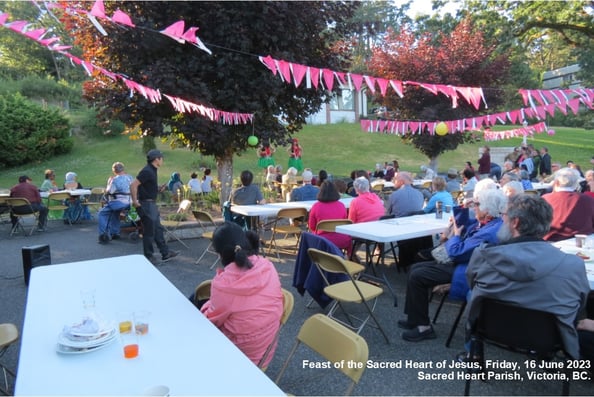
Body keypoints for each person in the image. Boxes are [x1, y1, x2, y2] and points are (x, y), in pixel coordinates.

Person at [464, 194, 590, 360]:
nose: (502, 219)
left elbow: (473, 284)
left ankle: (473, 355)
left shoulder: (484, 255)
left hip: (490, 329)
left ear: (515, 222)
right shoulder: (573, 265)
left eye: (504, 215)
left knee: (473, 295)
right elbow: (579, 304)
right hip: (551, 338)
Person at [399, 188, 506, 342]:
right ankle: (414, 319)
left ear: (487, 210)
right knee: (416, 268)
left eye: (476, 205)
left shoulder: (489, 232)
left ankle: (424, 327)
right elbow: (463, 224)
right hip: (467, 263)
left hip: (468, 270)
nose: (474, 207)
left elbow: (456, 252)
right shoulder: (490, 222)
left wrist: (455, 236)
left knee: (418, 274)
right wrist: (463, 207)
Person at [200, 222, 283, 368]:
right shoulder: (267, 265)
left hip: (237, 358)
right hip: (264, 352)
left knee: (196, 303)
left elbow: (210, 320)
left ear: (219, 253)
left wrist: (207, 305)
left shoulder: (223, 284)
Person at [130, 149, 179, 265]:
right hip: (146, 204)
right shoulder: (147, 171)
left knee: (158, 229)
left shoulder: (152, 170)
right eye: (161, 158)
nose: (162, 160)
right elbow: (133, 185)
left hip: (150, 203)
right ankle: (149, 256)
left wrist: (157, 189)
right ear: (156, 159)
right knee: (149, 231)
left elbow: (145, 186)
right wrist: (135, 201)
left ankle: (165, 253)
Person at [542, 167, 594, 241]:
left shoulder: (545, 199)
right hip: (582, 242)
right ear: (576, 184)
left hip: (551, 241)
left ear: (556, 182)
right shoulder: (588, 199)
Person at [308, 180, 351, 253]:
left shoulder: (316, 206)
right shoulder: (341, 205)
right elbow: (344, 222)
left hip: (322, 240)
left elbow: (312, 227)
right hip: (341, 239)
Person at [97, 162, 134, 243]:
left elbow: (109, 191)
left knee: (102, 213)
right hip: (131, 201)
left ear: (114, 171)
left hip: (121, 202)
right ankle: (115, 233)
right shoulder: (130, 177)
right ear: (123, 169)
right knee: (114, 212)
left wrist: (109, 182)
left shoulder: (115, 180)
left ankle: (103, 235)